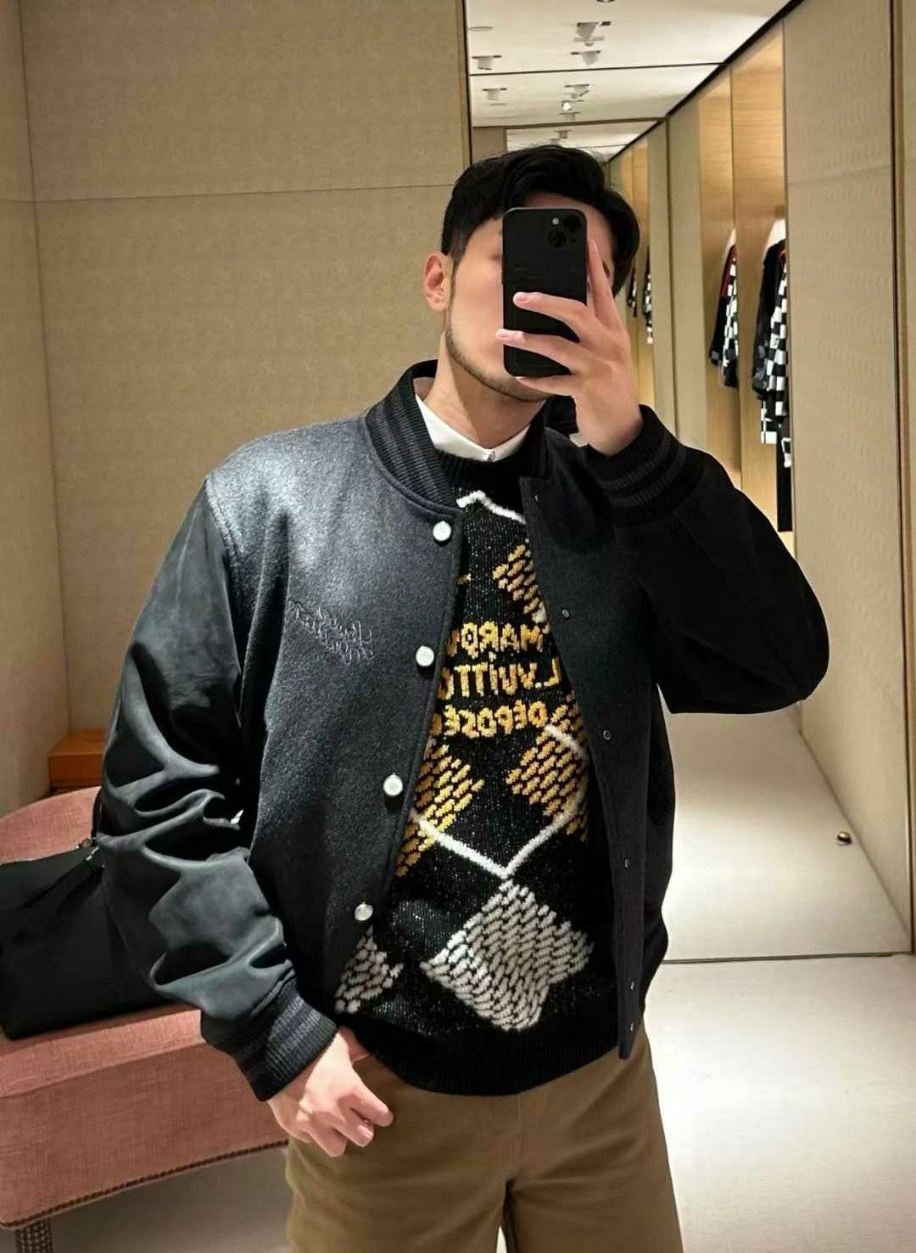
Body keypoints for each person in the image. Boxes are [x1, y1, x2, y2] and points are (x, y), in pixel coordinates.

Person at [95, 144, 829, 1252]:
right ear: (437, 278)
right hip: (380, 1091)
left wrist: (630, 443)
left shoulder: (620, 501)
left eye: (590, 278)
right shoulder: (273, 502)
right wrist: (274, 1032)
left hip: (598, 1081)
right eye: (518, 261)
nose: (552, 296)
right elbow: (156, 795)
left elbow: (779, 660)